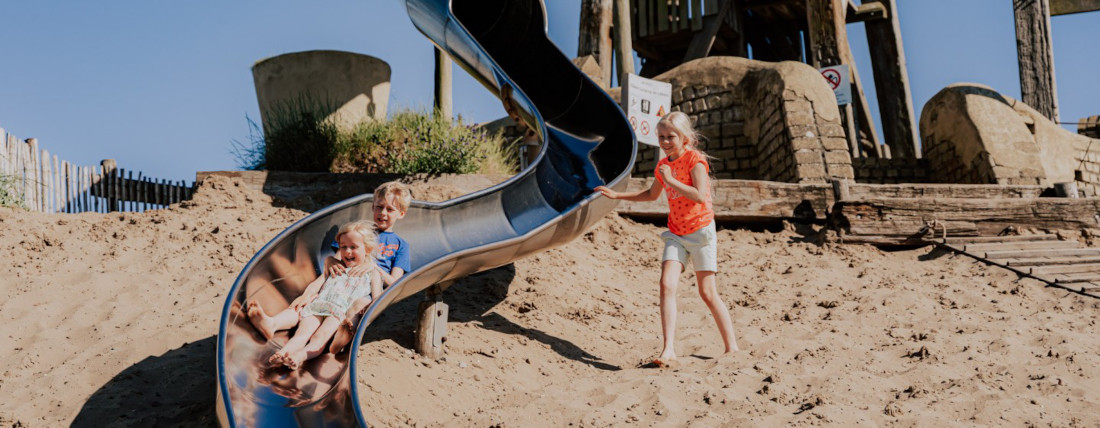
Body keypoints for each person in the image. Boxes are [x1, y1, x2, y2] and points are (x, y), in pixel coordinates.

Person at [594, 111, 739, 367]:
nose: (665, 141)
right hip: (676, 233)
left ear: (685, 137)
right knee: (666, 284)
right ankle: (668, 350)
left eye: (671, 136)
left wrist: (672, 179)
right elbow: (651, 194)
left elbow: (698, 196)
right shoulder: (663, 165)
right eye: (661, 137)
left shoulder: (696, 160)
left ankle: (732, 347)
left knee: (707, 293)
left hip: (701, 232)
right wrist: (618, 197)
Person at [246, 220, 384, 370]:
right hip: (318, 305)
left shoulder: (372, 273)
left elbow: (378, 297)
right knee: (301, 334)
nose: (348, 252)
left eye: (353, 247)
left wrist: (369, 306)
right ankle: (283, 352)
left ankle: (299, 357)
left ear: (368, 249)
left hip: (339, 314)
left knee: (319, 339)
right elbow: (317, 283)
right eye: (343, 247)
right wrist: (306, 296)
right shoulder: (335, 266)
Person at [326, 180, 413, 353]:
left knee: (361, 304)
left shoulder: (401, 245)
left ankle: (344, 335)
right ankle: (326, 335)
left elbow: (394, 282)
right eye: (379, 207)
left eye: (390, 209)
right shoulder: (360, 232)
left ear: (401, 213)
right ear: (372, 207)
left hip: (371, 288)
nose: (383, 213)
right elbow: (338, 259)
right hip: (348, 280)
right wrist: (329, 260)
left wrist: (373, 267)